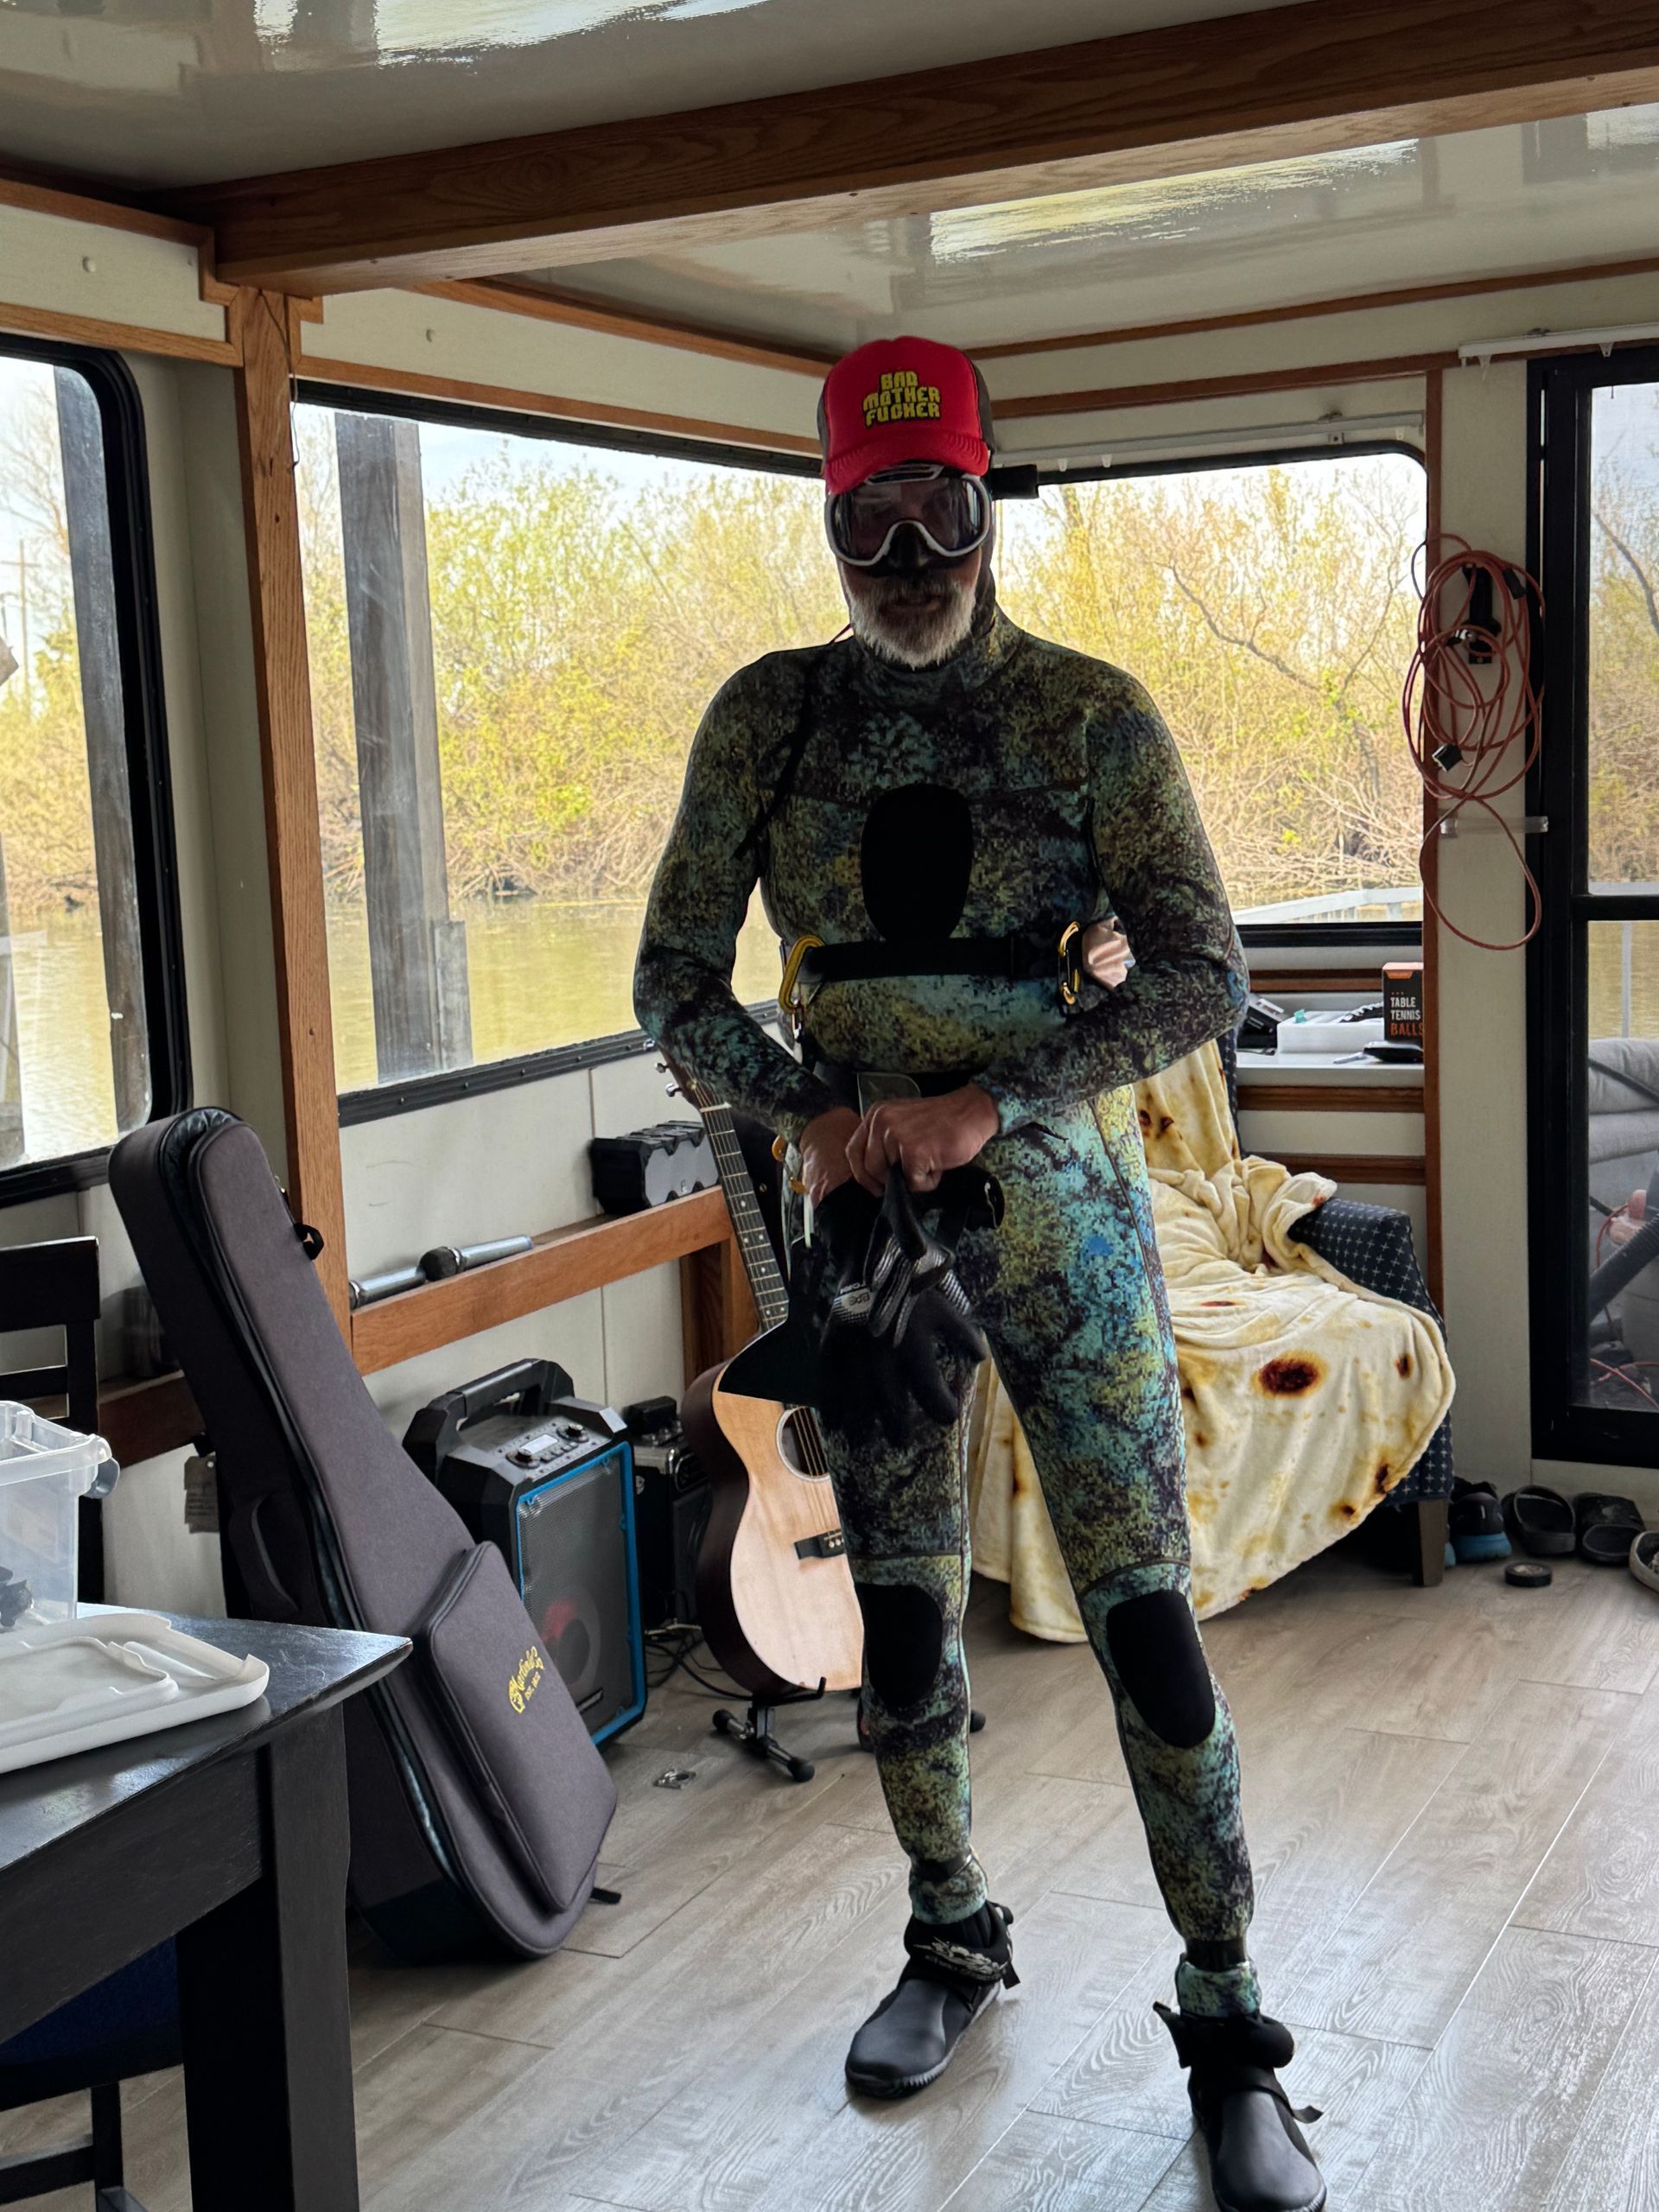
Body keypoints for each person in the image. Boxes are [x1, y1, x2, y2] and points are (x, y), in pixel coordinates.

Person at [634, 336, 1325, 2212]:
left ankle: (1231, 2021)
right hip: (871, 1240)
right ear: (829, 521)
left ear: (989, 501)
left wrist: (991, 1098)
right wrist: (810, 1110)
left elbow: (1205, 970)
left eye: (942, 508)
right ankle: (951, 1927)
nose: (911, 555)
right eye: (873, 518)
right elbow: (672, 979)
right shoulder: (768, 720)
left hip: (1066, 1223)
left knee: (1148, 1625)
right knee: (906, 1619)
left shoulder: (1090, 717)